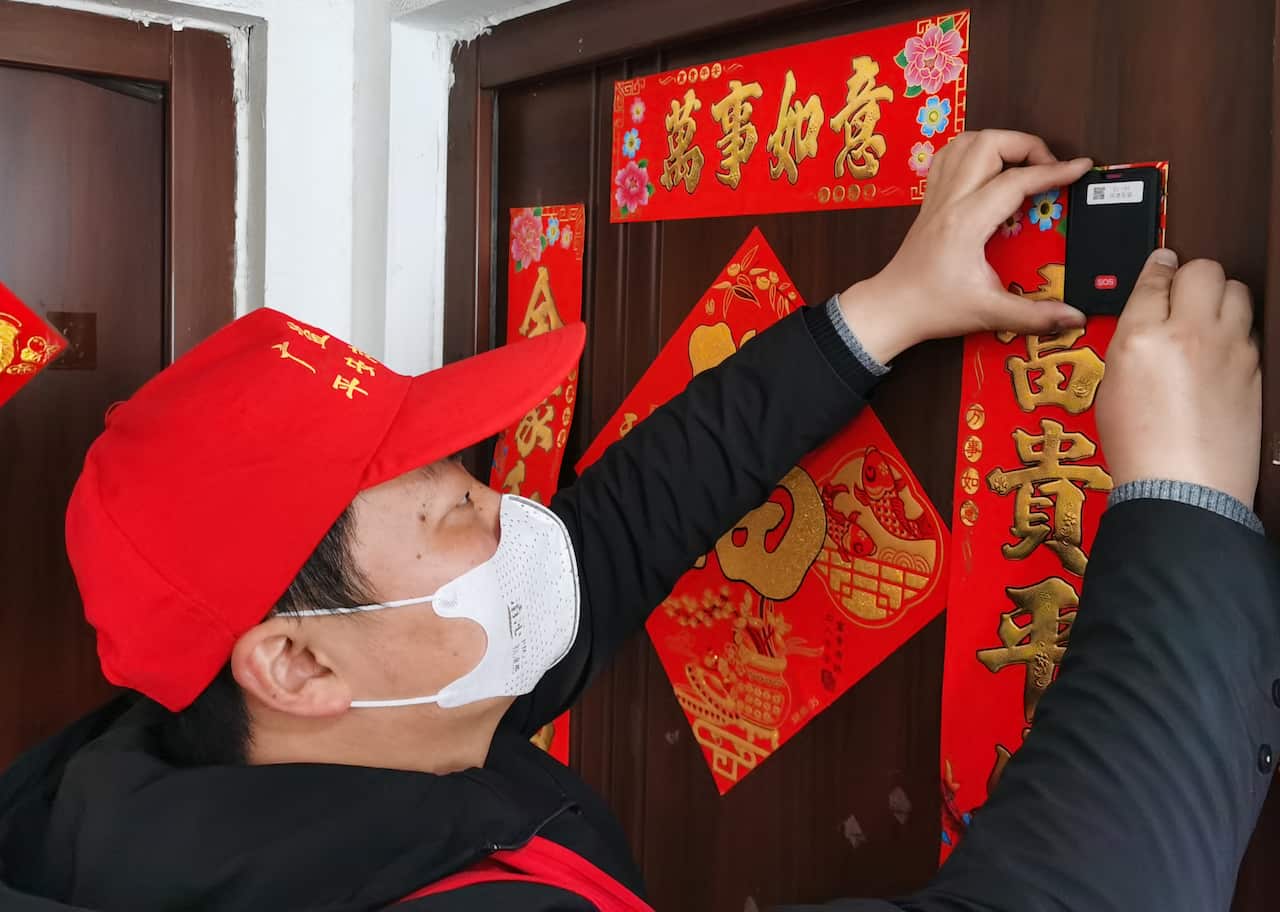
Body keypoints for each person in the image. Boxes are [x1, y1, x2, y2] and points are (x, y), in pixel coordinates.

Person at [0, 129, 1271, 912]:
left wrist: (882, 309)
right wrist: (1180, 501)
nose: (515, 519)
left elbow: (621, 526)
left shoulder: (269, 754)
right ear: (295, 663)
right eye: (454, 510)